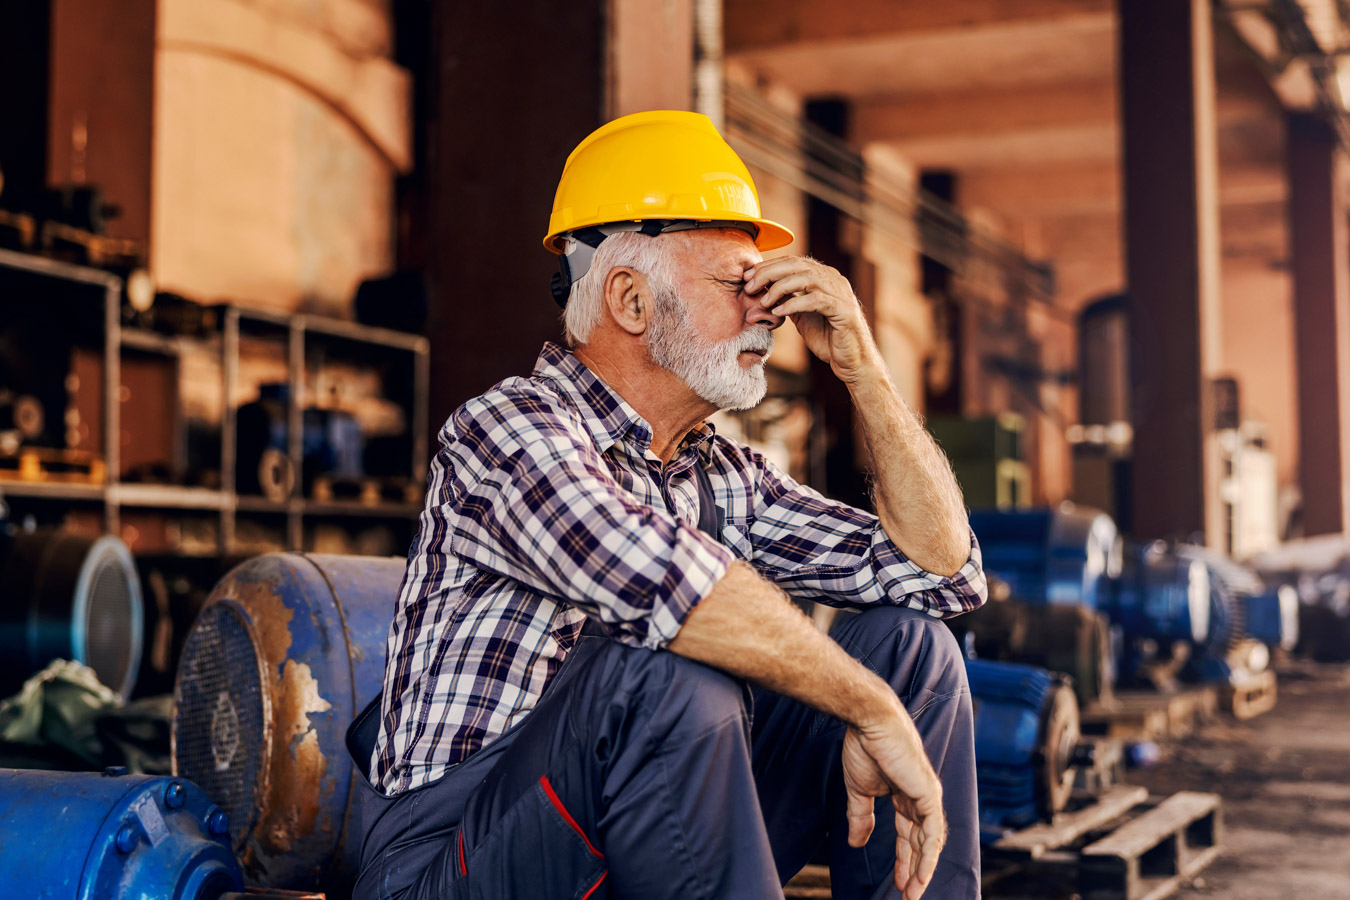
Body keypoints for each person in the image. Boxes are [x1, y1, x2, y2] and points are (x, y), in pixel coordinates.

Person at [348, 110, 988, 900]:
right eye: (738, 284)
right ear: (631, 300)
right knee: (664, 671)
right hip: (451, 863)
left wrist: (865, 371)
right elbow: (666, 592)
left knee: (912, 649)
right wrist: (868, 709)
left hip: (632, 835)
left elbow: (942, 577)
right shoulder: (507, 432)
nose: (771, 313)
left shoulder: (722, 476)